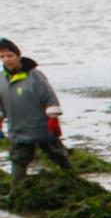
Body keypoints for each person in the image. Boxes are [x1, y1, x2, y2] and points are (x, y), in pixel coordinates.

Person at [0, 40, 70, 184]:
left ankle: (73, 181)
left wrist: (53, 119)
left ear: (18, 56)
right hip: (18, 128)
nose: (6, 59)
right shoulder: (2, 79)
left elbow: (49, 97)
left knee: (57, 155)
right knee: (18, 160)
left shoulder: (35, 75)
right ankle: (16, 192)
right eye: (2, 57)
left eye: (10, 55)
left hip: (42, 126)